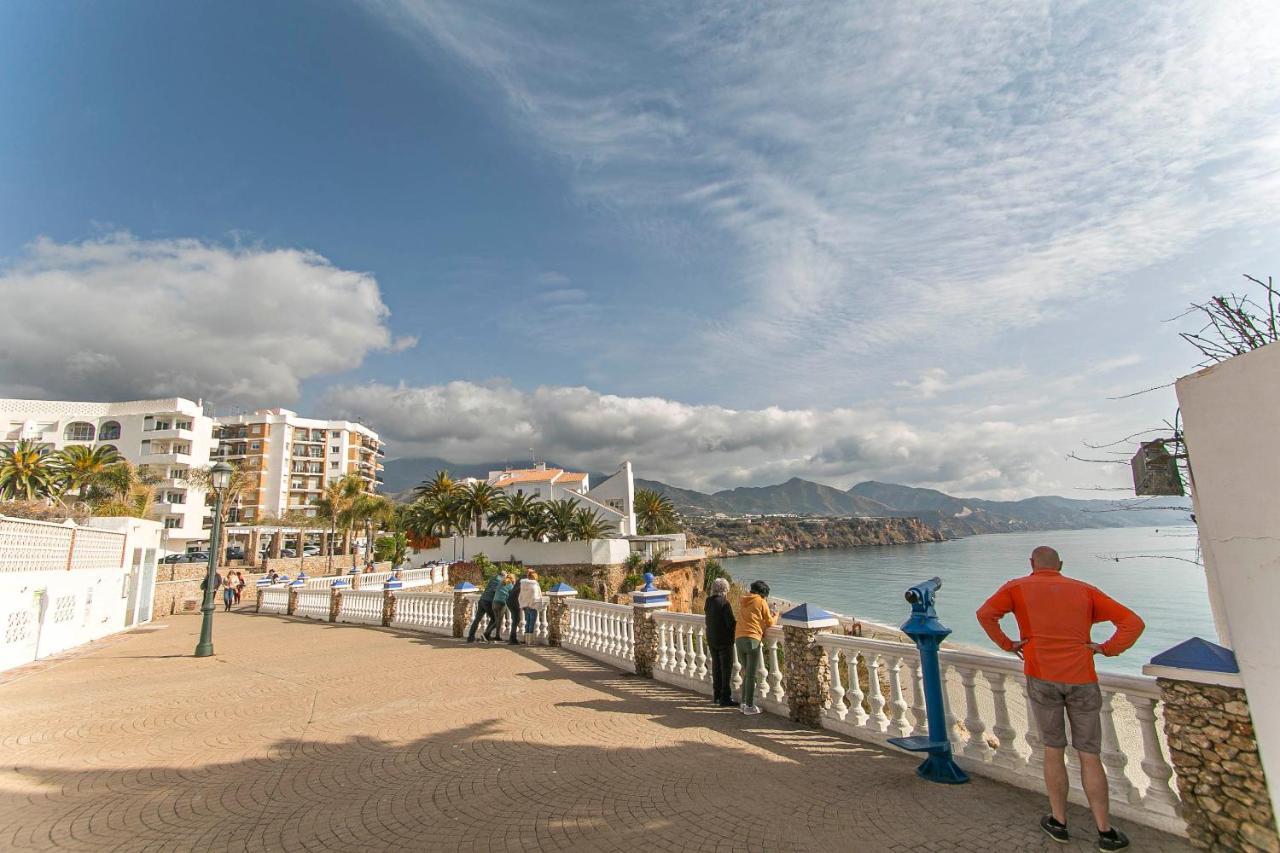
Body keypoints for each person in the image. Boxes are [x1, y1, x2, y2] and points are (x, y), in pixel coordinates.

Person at [976, 546, 1145, 852]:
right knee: (1090, 755)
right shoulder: (1084, 590)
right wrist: (1105, 648)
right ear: (1061, 565)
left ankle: (1059, 822)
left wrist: (1008, 644)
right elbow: (1133, 623)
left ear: (1031, 564)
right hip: (1082, 678)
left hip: (1041, 676)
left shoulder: (1017, 587)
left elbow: (985, 614)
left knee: (1053, 751)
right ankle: (1105, 831)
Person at [734, 580, 777, 715]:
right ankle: (749, 706)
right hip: (752, 640)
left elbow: (751, 618)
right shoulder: (760, 601)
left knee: (746, 673)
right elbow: (769, 622)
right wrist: (776, 616)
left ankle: (743, 704)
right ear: (762, 593)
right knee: (751, 675)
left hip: (739, 638)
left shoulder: (743, 600)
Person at [703, 577, 737, 707]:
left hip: (712, 638)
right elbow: (730, 623)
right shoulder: (724, 603)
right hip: (724, 640)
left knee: (716, 667)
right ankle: (725, 698)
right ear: (725, 589)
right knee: (726, 669)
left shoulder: (708, 601)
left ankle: (716, 695)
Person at [467, 573, 502, 642]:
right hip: (488, 601)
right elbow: (496, 591)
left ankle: (470, 637)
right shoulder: (501, 581)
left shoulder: (492, 579)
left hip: (482, 599)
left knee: (477, 619)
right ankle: (486, 635)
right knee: (495, 619)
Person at [488, 573, 516, 641]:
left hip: (494, 602)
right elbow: (513, 595)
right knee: (498, 621)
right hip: (501, 603)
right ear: (512, 579)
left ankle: (497, 636)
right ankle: (487, 633)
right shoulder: (510, 585)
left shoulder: (501, 582)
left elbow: (496, 590)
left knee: (497, 621)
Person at [518, 570, 543, 642]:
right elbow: (535, 596)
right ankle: (530, 641)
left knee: (527, 622)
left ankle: (526, 640)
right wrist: (533, 604)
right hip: (532, 606)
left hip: (525, 606)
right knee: (531, 623)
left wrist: (523, 604)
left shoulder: (523, 584)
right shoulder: (534, 585)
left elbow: (521, 595)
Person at [505, 568, 525, 645]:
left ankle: (512, 638)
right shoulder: (523, 583)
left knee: (515, 619)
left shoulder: (519, 582)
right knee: (516, 620)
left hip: (510, 601)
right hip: (513, 602)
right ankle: (512, 639)